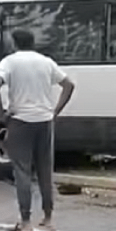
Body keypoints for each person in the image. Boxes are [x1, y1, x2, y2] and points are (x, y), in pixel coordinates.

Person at [0, 30, 75, 231]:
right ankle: (48, 218)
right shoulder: (46, 62)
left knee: (22, 172)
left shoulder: (9, 62)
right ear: (33, 42)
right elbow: (69, 85)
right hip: (45, 121)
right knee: (45, 170)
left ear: (14, 43)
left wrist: (2, 114)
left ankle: (25, 222)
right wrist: (54, 111)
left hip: (20, 121)